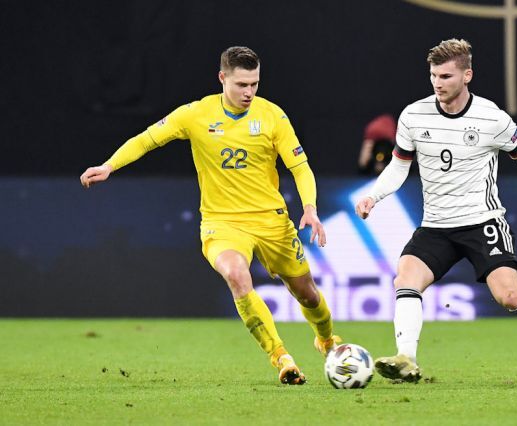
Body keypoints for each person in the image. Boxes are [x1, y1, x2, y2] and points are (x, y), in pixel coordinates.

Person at [80, 46, 341, 385]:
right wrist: (109, 165)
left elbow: (300, 167)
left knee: (307, 294)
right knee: (236, 274)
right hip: (222, 223)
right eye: (241, 84)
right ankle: (281, 357)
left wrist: (310, 208)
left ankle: (326, 340)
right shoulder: (196, 114)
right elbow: (147, 140)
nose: (249, 92)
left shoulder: (273, 116)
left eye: (255, 84)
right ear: (222, 78)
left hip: (271, 220)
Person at [355, 39, 517, 382]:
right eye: (433, 75)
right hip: (435, 225)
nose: (438, 83)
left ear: (467, 75)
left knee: (510, 297)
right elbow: (399, 165)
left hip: (481, 222)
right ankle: (406, 358)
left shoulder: (491, 118)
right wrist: (374, 196)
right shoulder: (413, 115)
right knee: (406, 279)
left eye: (446, 76)